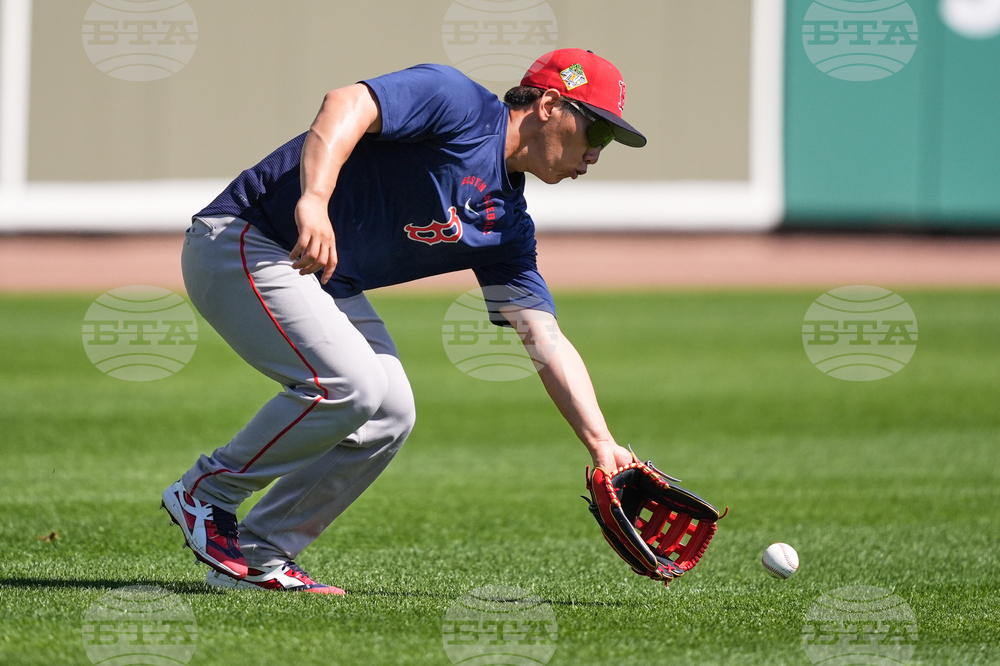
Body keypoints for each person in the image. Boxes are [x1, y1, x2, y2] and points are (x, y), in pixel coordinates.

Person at [161, 48, 647, 594]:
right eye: (597, 132)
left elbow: (543, 335)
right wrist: (314, 199)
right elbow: (344, 103)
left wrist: (602, 444)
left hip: (318, 276)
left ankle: (259, 554)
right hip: (246, 238)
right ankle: (207, 493)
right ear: (551, 106)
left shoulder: (505, 225)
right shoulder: (458, 102)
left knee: (388, 414)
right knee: (352, 386)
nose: (597, 153)